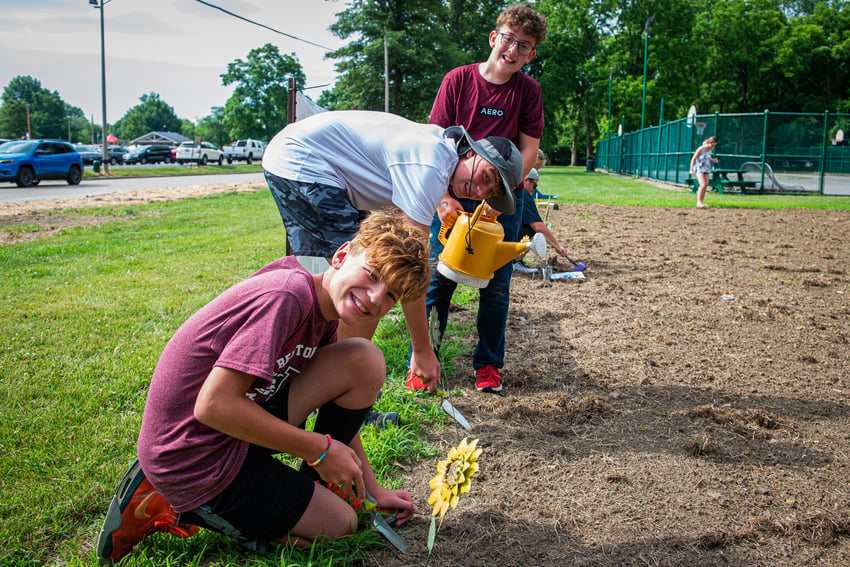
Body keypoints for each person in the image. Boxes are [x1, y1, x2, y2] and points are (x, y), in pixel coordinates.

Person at [96, 210, 431, 566]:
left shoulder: (323, 315)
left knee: (362, 359)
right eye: (373, 274)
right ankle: (169, 503)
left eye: (391, 296)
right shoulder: (287, 296)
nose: (376, 298)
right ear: (342, 255)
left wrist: (372, 490)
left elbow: (337, 412)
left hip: (232, 436)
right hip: (192, 455)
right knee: (341, 525)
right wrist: (319, 449)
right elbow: (212, 405)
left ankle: (315, 489)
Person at [262, 110, 523, 404]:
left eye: (491, 191)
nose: (480, 191)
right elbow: (407, 269)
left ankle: (328, 385)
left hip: (303, 162)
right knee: (366, 279)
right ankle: (334, 390)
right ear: (471, 152)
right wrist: (423, 350)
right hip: (305, 164)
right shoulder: (432, 165)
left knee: (354, 278)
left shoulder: (439, 152)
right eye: (486, 176)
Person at [408, 3, 548, 394]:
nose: (514, 50)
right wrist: (441, 201)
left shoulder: (529, 91)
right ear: (494, 37)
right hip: (453, 193)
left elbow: (529, 151)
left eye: (525, 46)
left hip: (503, 198)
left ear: (531, 54)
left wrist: (500, 193)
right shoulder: (458, 80)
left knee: (497, 285)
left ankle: (488, 365)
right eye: (509, 39)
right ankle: (423, 362)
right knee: (438, 279)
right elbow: (434, 146)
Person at [512, 168, 571, 274]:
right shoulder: (523, 194)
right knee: (531, 228)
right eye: (534, 186)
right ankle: (514, 261)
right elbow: (538, 226)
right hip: (507, 237)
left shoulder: (512, 189)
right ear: (525, 180)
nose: (533, 190)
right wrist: (558, 247)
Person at [690, 136, 719, 208]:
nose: (713, 147)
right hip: (699, 169)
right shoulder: (701, 149)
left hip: (706, 169)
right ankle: (699, 202)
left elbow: (708, 158)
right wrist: (691, 169)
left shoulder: (710, 150)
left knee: (705, 185)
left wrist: (713, 160)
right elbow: (693, 158)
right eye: (712, 145)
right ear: (709, 142)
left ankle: (701, 202)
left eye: (714, 146)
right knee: (702, 184)